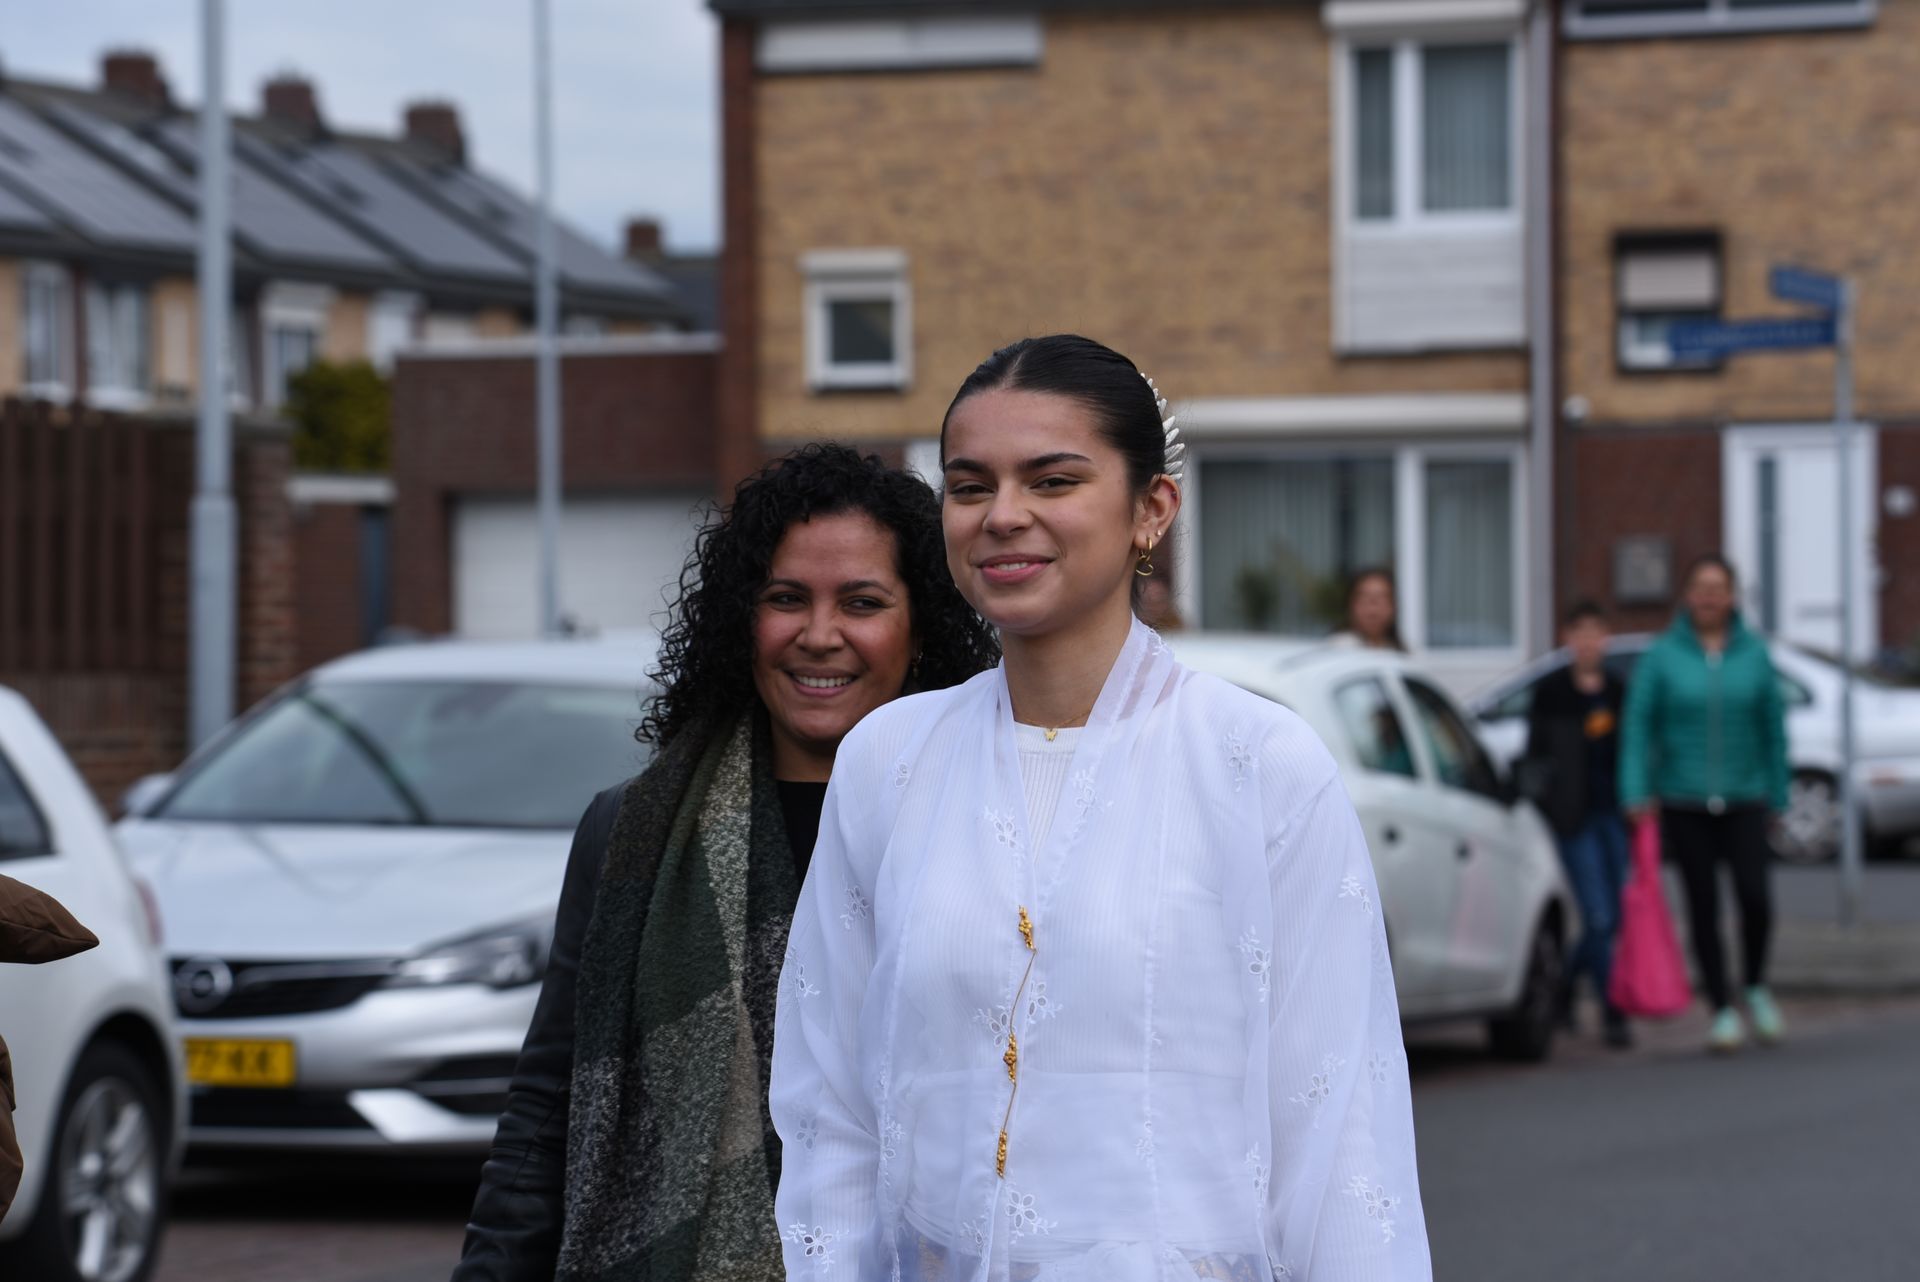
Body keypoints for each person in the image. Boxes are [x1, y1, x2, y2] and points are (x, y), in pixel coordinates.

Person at [771, 336, 1429, 1280]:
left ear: (1150, 508)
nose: (1004, 516)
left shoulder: (1257, 765)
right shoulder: (890, 761)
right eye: (970, 486)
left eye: (1052, 481)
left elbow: (1339, 1131)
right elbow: (831, 1105)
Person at [450, 445, 997, 1282]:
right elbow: (550, 1104)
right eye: (786, 599)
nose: (819, 635)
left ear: (920, 627)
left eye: (862, 602)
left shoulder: (995, 823)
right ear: (743, 619)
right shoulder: (632, 834)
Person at [1619, 555, 1791, 1055]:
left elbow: (1773, 728)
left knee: (1755, 897)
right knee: (1702, 905)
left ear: (1733, 597)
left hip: (1746, 795)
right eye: (1701, 587)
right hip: (1684, 798)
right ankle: (1720, 1008)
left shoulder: (1754, 655)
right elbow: (1638, 727)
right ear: (1688, 596)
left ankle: (1754, 985)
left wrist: (1779, 792)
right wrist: (1635, 791)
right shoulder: (1663, 656)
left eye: (1719, 588)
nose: (1710, 597)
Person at [1524, 601, 1632, 1049]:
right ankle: (1613, 1012)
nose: (1587, 642)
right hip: (1574, 819)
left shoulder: (1619, 691)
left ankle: (1565, 984)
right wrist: (1550, 808)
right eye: (1579, 633)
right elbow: (1535, 759)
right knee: (1598, 914)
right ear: (1567, 639)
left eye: (1595, 633)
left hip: (1615, 815)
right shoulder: (1551, 692)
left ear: (1606, 639)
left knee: (1612, 917)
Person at [1334, 568, 1406, 652]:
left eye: (1381, 599)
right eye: (1364, 599)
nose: (1372, 610)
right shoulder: (1336, 650)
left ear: (1394, 606)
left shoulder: (1405, 654)